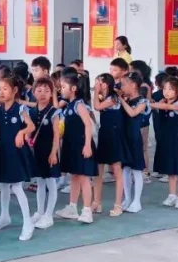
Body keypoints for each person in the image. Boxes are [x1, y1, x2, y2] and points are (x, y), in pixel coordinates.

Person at [0, 72, 37, 240]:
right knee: (4, 185)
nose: (1, 92)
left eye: (5, 89)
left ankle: (28, 222)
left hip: (16, 152)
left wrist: (21, 132)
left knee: (16, 186)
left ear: (14, 90)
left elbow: (31, 126)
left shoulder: (20, 109)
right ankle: (4, 216)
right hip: (3, 151)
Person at [55, 71, 97, 223]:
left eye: (63, 87)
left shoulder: (79, 104)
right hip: (71, 145)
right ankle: (72, 207)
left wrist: (87, 145)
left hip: (81, 145)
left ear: (73, 88)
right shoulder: (69, 105)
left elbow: (88, 125)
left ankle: (87, 210)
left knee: (84, 178)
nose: (61, 89)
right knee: (74, 177)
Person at [152, 76, 178, 209]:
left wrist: (152, 104)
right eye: (165, 89)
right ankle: (172, 195)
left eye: (170, 89)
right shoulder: (163, 102)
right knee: (171, 170)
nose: (166, 92)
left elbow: (169, 106)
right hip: (168, 140)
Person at [28, 78, 61, 228]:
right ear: (34, 92)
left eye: (47, 91)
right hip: (37, 152)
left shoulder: (54, 112)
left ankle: (49, 215)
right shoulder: (32, 111)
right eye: (39, 90)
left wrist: (54, 153)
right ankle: (40, 212)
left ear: (51, 93)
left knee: (51, 183)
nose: (43, 94)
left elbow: (56, 135)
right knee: (40, 182)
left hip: (49, 152)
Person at [92, 74, 126, 218]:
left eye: (98, 83)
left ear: (105, 84)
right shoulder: (105, 97)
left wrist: (95, 92)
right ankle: (96, 202)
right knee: (99, 170)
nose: (96, 85)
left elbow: (96, 107)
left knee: (117, 169)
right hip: (104, 134)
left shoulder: (113, 98)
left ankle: (118, 204)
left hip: (114, 135)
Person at [118, 73, 148, 213]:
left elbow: (132, 113)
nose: (122, 87)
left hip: (135, 137)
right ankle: (128, 198)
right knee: (125, 169)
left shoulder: (142, 101)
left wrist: (121, 100)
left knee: (136, 170)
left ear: (134, 85)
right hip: (124, 137)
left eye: (124, 84)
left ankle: (137, 201)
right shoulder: (126, 99)